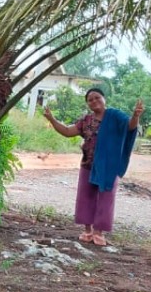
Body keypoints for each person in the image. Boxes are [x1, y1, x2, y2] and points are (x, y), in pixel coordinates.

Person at [43, 87, 143, 246]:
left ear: (104, 99)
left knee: (106, 197)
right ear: (88, 104)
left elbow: (130, 127)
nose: (94, 101)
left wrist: (136, 116)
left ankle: (99, 232)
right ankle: (88, 230)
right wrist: (52, 119)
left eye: (97, 97)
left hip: (109, 166)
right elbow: (68, 131)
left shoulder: (116, 116)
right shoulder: (86, 120)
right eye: (90, 100)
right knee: (86, 196)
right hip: (88, 164)